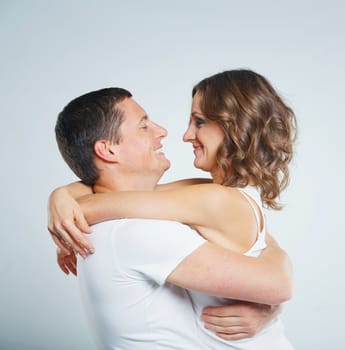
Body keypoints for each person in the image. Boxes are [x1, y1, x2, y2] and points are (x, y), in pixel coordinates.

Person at [49, 81, 293, 349]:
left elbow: (277, 284)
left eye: (199, 122)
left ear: (232, 129)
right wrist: (63, 199)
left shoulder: (210, 197)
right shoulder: (137, 230)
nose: (173, 133)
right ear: (108, 150)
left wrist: (63, 204)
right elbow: (276, 280)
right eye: (144, 126)